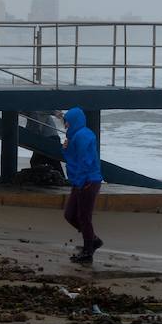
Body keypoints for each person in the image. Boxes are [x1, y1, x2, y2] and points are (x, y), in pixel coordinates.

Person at [61, 107, 103, 263]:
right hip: (78, 181)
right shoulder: (74, 136)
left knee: (84, 217)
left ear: (74, 121)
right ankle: (93, 240)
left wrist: (81, 182)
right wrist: (65, 149)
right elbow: (73, 160)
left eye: (67, 123)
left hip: (88, 182)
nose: (65, 126)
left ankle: (88, 252)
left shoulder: (83, 136)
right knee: (69, 215)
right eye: (65, 123)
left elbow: (86, 161)